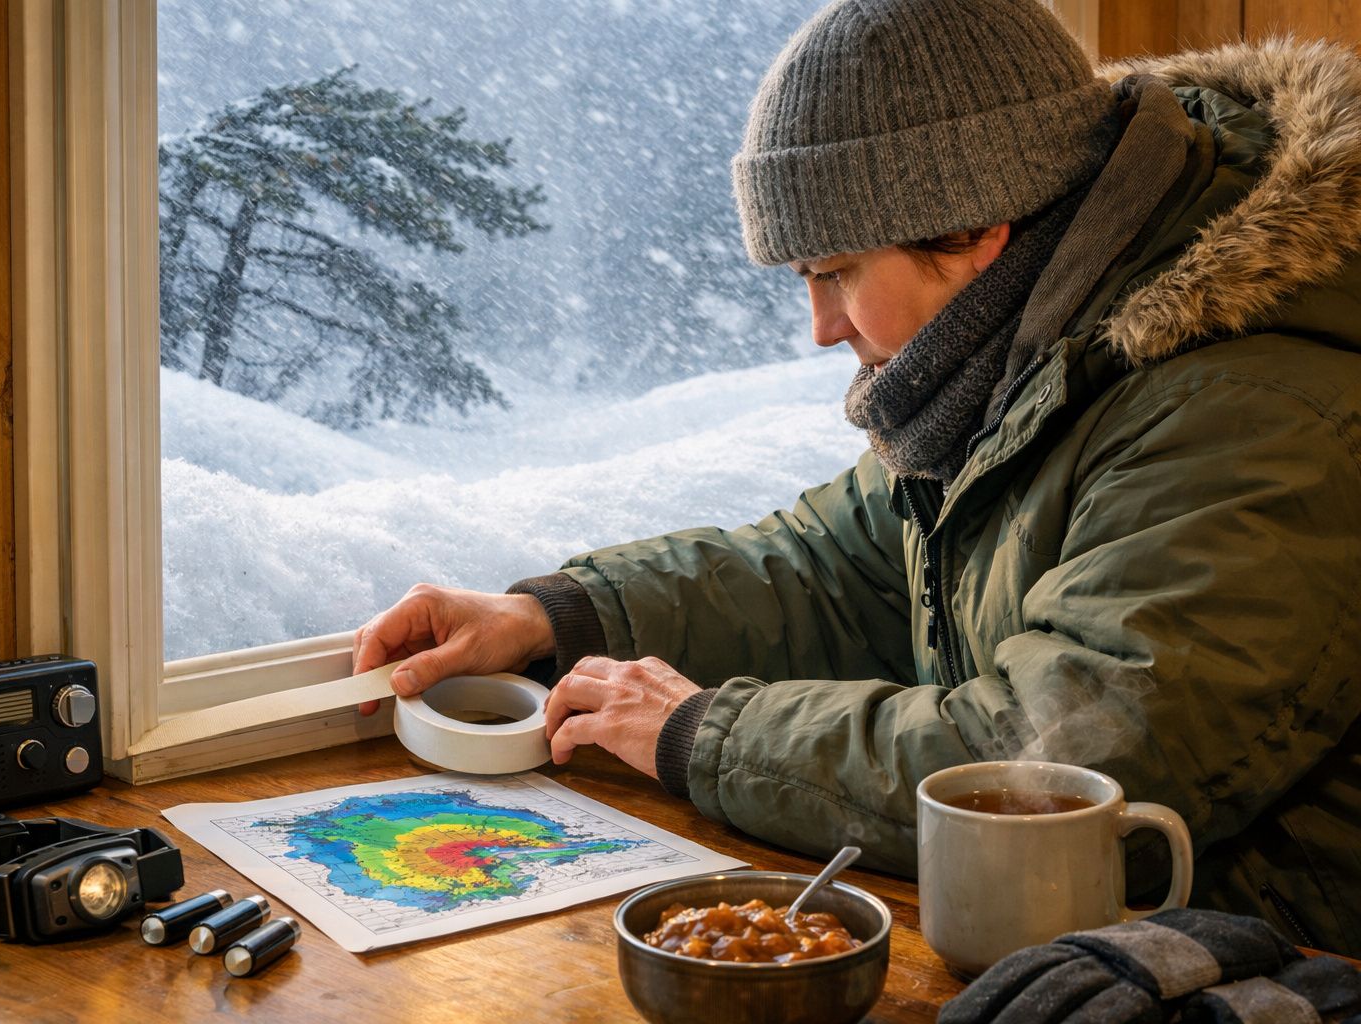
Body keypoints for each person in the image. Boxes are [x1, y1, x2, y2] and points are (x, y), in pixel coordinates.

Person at [353, 0, 1361, 957]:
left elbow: (1056, 765)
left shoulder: (1252, 411)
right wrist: (563, 614)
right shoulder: (1021, 361)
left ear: (972, 230)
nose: (822, 327)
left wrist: (709, 736)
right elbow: (831, 566)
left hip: (1272, 970)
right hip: (1102, 945)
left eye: (834, 272)